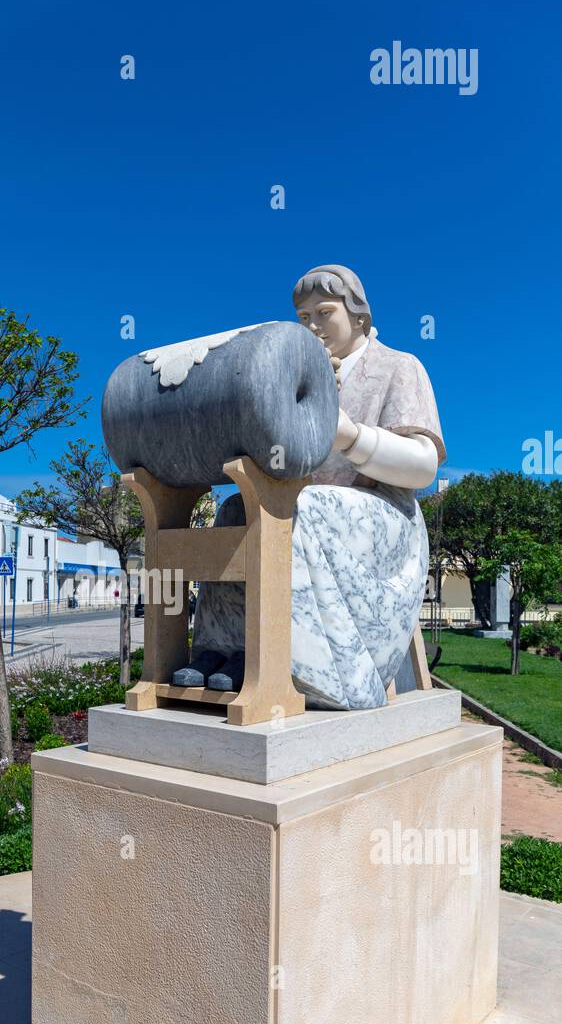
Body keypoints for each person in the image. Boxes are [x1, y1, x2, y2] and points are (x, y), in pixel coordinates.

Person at [175, 264, 444, 710]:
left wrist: (353, 436)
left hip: (385, 522)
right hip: (310, 511)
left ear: (359, 316)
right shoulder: (296, 376)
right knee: (235, 511)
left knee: (305, 507)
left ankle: (316, 670)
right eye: (303, 318)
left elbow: (424, 465)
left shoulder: (399, 367)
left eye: (324, 311)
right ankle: (229, 649)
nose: (314, 325)